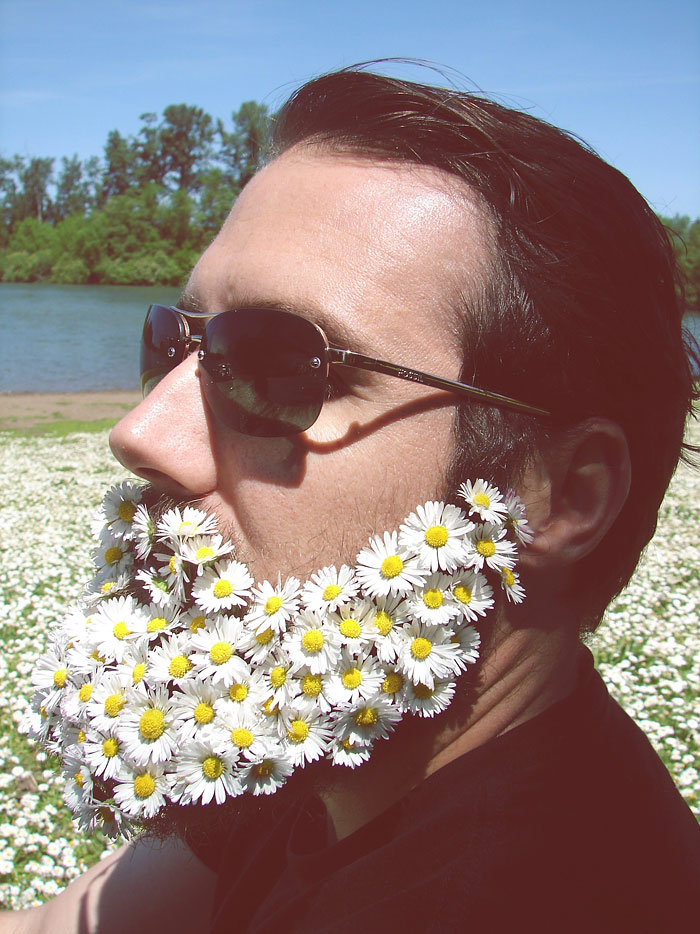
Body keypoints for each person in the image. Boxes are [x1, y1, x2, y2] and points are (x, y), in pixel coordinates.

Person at [3, 66, 699, 932]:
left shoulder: (557, 894)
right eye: (171, 341)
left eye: (278, 365)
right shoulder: (308, 736)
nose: (140, 434)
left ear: (558, 499)